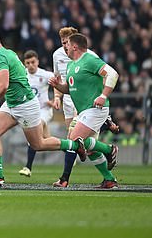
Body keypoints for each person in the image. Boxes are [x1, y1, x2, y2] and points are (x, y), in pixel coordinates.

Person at [0, 31, 97, 187]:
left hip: (25, 105)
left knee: (38, 144)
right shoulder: (9, 53)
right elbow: (14, 81)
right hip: (12, 102)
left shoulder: (0, 57)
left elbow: (4, 85)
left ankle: (74, 145)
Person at [49, 33, 120, 189]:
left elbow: (112, 74)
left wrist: (103, 95)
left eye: (66, 43)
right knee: (85, 146)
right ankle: (109, 177)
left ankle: (64, 180)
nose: (64, 46)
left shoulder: (90, 59)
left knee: (73, 140)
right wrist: (57, 86)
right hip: (84, 111)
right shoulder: (71, 65)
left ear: (74, 46)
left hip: (96, 109)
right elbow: (69, 89)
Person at [18, 50, 55, 178]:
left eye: (33, 62)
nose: (30, 65)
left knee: (34, 134)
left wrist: (56, 99)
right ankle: (70, 148)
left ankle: (28, 167)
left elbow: (58, 84)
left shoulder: (45, 75)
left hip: (44, 110)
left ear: (37, 61)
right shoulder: (22, 75)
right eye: (27, 63)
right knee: (45, 142)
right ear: (24, 64)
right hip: (31, 112)